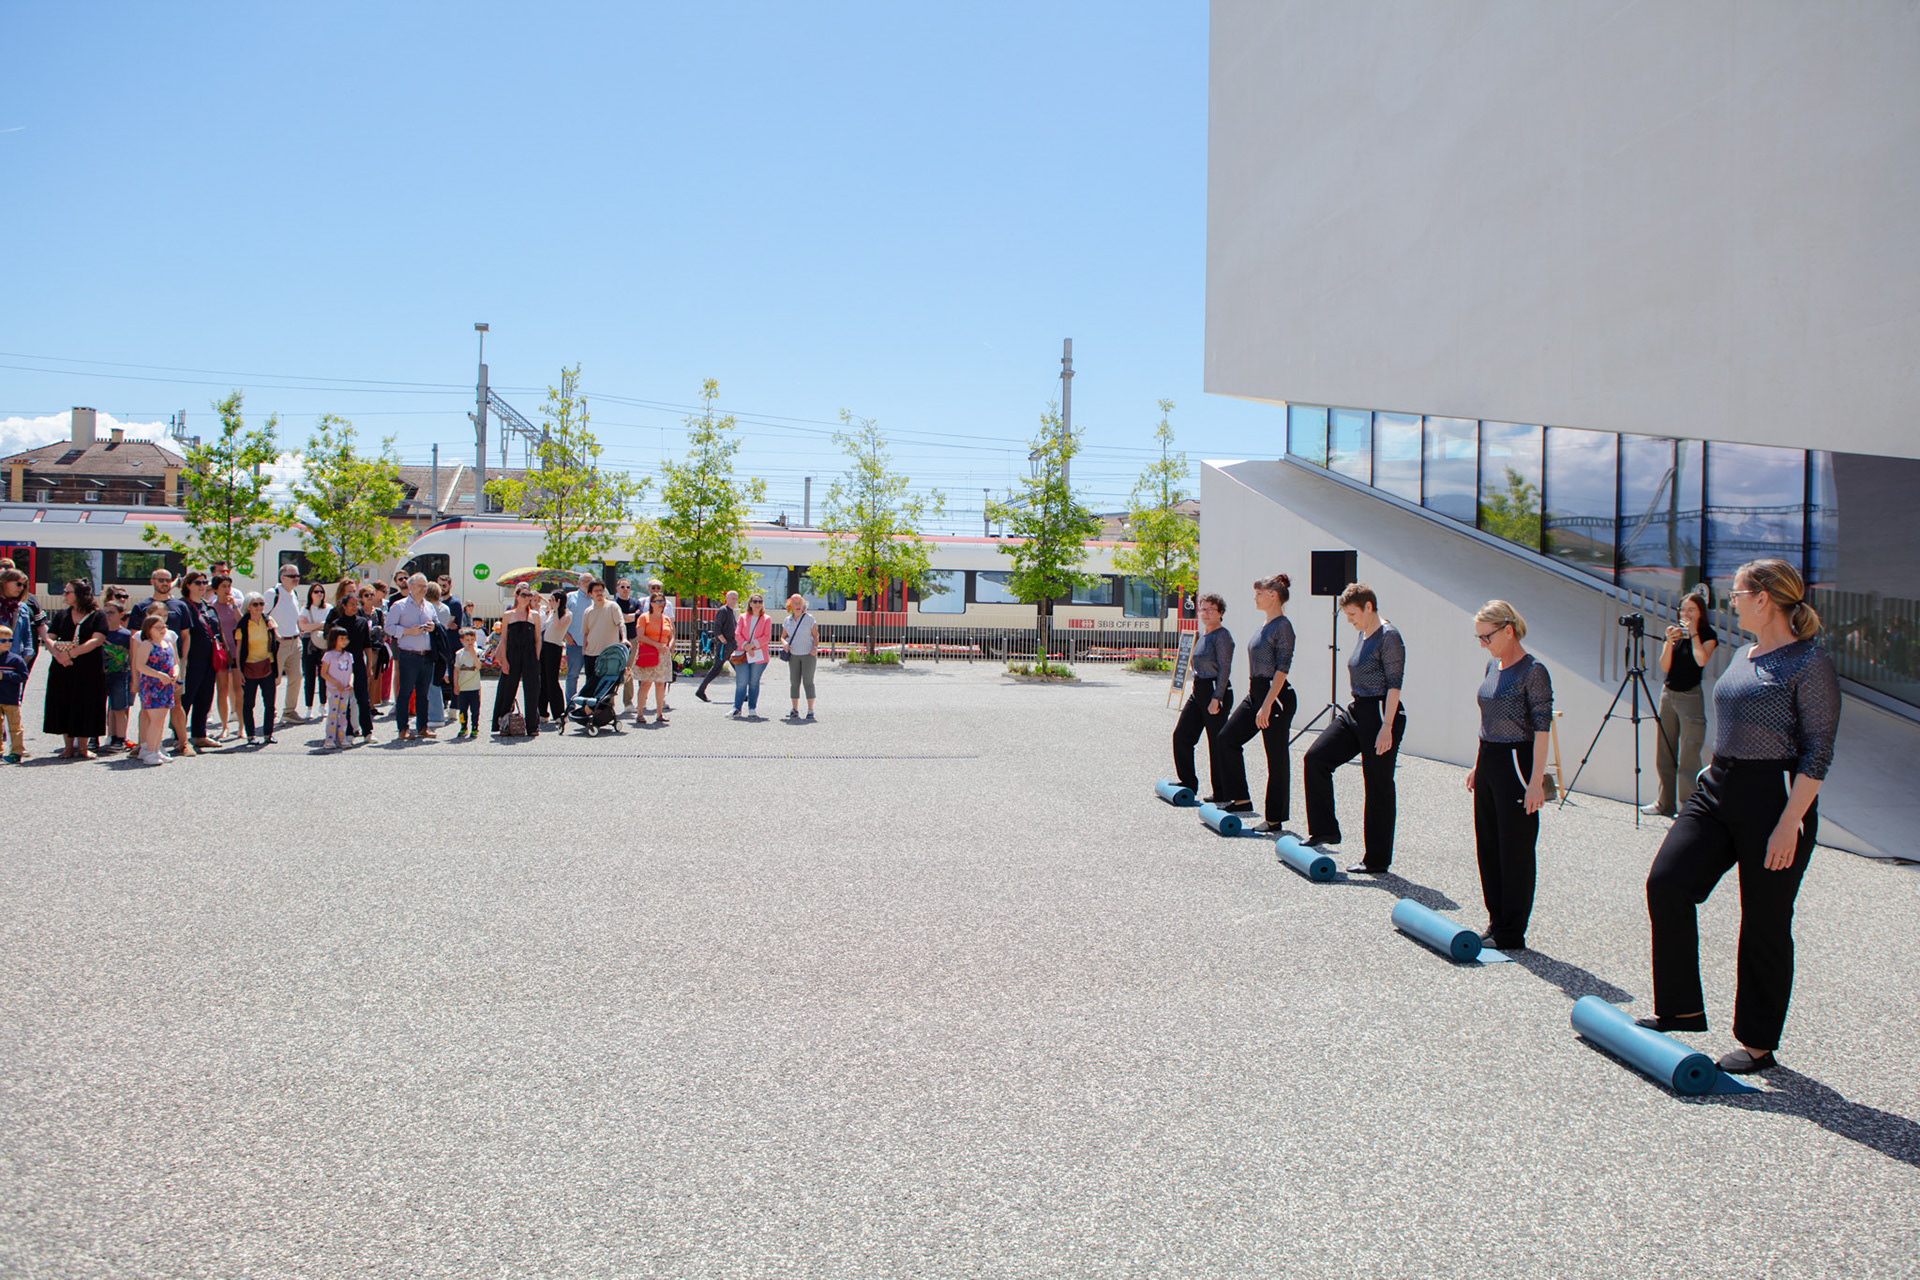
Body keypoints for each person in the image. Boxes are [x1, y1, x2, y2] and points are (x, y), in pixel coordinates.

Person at [1641, 559, 1839, 1075]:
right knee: (1667, 882)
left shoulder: (1807, 662)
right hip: (1719, 787)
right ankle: (1680, 1009)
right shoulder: (1744, 654)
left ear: (1764, 598)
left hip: (1775, 799)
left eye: (1737, 593)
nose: (1730, 601)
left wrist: (1789, 821)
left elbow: (1817, 751)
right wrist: (1712, 771)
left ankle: (1757, 1043)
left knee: (1765, 921)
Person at [1464, 600, 1553, 952]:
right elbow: (1486, 721)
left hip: (1517, 761)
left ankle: (1512, 931)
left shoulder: (1533, 671)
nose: (1483, 644)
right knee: (1488, 843)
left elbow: (1543, 729)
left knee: (1514, 847)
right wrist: (1477, 763)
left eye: (1487, 636)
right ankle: (1496, 921)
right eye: (1479, 638)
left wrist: (1536, 782)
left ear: (1508, 630)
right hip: (1489, 759)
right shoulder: (1492, 665)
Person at [1302, 582, 1407, 873]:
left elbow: (1395, 684)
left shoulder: (1389, 637)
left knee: (1378, 786)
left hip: (1381, 713)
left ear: (1368, 607)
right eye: (1347, 615)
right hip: (1357, 709)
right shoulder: (1365, 633)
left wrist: (1387, 725)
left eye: (1352, 614)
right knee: (1315, 759)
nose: (1349, 620)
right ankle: (1324, 830)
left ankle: (1376, 859)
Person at [1218, 574, 1297, 831]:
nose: (1255, 597)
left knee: (1275, 758)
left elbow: (1282, 669)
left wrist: (1267, 704)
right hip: (1257, 693)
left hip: (1275, 696)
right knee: (1227, 738)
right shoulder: (1265, 624)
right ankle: (1241, 799)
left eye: (1259, 593)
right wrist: (1258, 700)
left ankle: (1274, 819)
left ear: (1273, 595)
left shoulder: (1283, 626)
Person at [1647, 586, 1719, 817]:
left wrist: (1694, 633)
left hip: (1690, 696)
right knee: (1665, 751)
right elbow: (1664, 666)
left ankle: (1687, 806)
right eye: (1683, 609)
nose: (1686, 614)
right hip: (1669, 694)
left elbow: (1701, 660)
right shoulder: (1676, 634)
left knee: (1688, 753)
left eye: (1691, 610)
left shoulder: (1708, 635)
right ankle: (1663, 803)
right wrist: (1668, 642)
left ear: (1701, 612)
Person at [1171, 593, 1234, 800]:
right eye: (1203, 609)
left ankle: (1222, 792)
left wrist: (1217, 697)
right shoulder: (1202, 635)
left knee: (1216, 743)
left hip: (1215, 689)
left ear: (1220, 613)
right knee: (1181, 735)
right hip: (1199, 689)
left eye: (1210, 610)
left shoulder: (1222, 636)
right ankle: (1188, 783)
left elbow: (1225, 669)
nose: (1205, 613)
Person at [43, 579, 108, 759]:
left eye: (67, 592)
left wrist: (71, 654)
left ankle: (83, 747)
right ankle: (67, 747)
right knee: (64, 702)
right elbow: (49, 636)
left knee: (85, 704)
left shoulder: (98, 615)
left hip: (87, 668)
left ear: (80, 595)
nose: (64, 595)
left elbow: (97, 640)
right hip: (62, 666)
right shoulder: (61, 615)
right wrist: (57, 653)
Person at [385, 573, 439, 740]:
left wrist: (432, 627)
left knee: (423, 694)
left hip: (426, 655)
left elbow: (437, 624)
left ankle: (422, 727)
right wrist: (407, 631)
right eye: (421, 586)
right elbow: (388, 627)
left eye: (425, 586)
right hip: (409, 654)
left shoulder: (429, 606)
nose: (424, 589)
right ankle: (403, 728)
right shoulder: (399, 606)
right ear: (411, 587)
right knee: (406, 692)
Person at [325, 583, 376, 742]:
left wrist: (369, 666)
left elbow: (367, 646)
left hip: (359, 663)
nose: (355, 607)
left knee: (363, 698)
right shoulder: (337, 624)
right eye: (352, 604)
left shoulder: (362, 622)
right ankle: (347, 732)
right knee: (344, 699)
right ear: (344, 606)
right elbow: (332, 648)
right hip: (341, 666)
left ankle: (368, 731)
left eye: (357, 604)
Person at [492, 584, 543, 737]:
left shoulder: (534, 615)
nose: (526, 598)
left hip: (529, 654)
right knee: (508, 688)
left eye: (528, 596)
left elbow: (538, 639)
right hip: (513, 654)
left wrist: (536, 656)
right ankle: (504, 724)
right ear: (516, 596)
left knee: (532, 690)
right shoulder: (508, 615)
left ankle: (532, 726)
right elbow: (504, 638)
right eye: (523, 595)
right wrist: (503, 659)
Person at [131, 612, 181, 765]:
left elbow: (175, 663)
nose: (162, 630)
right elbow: (140, 665)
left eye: (163, 627)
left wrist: (175, 674)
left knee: (161, 719)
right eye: (157, 627)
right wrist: (159, 675)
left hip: (167, 686)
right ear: (148, 629)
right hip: (151, 686)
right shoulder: (146, 644)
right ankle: (150, 751)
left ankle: (157, 749)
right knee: (155, 719)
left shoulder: (168, 644)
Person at [264, 564, 309, 726]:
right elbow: (262, 615)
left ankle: (290, 711)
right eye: (292, 576)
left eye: (297, 575)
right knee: (275, 680)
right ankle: (271, 711)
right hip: (279, 643)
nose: (296, 578)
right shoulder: (273, 594)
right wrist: (273, 629)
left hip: (295, 641)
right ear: (282, 577)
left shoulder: (294, 594)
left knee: (296, 677)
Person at [234, 591, 280, 745]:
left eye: (261, 604)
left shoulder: (268, 621)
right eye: (255, 604)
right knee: (249, 703)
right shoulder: (243, 626)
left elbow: (277, 640)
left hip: (267, 665)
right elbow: (239, 650)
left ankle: (268, 733)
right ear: (248, 607)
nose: (259, 607)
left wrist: (273, 629)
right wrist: (239, 670)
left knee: (270, 703)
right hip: (249, 667)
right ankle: (251, 735)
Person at [579, 578, 626, 704]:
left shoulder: (612, 606)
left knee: (608, 686)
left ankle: (606, 713)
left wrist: (624, 638)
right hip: (591, 654)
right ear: (590, 594)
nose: (599, 593)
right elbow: (586, 632)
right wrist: (584, 649)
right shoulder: (588, 611)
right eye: (596, 591)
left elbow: (621, 623)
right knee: (591, 684)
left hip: (608, 654)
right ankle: (590, 712)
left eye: (601, 590)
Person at [633, 592, 676, 723]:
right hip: (649, 653)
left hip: (663, 654)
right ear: (651, 603)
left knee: (660, 684)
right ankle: (640, 712)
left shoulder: (666, 619)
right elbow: (641, 636)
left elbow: (672, 634)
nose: (661, 604)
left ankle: (659, 713)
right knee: (645, 683)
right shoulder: (644, 618)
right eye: (658, 601)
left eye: (662, 601)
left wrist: (670, 645)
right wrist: (657, 645)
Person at [210, 574, 242, 739]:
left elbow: (242, 624)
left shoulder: (235, 605)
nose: (227, 589)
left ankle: (242, 727)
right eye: (223, 586)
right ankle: (224, 727)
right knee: (222, 689)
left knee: (239, 689)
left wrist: (235, 607)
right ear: (215, 589)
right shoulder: (211, 608)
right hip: (221, 653)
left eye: (228, 586)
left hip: (237, 651)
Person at [730, 593, 771, 720]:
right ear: (750, 603)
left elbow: (766, 636)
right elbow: (737, 633)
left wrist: (752, 646)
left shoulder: (766, 619)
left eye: (760, 601)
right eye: (755, 601)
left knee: (754, 682)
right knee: (741, 682)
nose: (757, 604)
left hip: (759, 655)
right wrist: (746, 646)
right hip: (743, 653)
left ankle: (752, 708)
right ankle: (737, 708)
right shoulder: (743, 617)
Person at [694, 590, 738, 703]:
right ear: (727, 599)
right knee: (716, 669)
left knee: (739, 669)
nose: (734, 601)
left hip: (730, 646)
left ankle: (742, 693)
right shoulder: (723, 611)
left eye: (736, 598)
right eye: (732, 598)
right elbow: (717, 629)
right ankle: (700, 690)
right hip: (725, 646)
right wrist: (724, 642)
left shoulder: (730, 612)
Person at [102, 600, 134, 753]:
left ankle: (120, 738)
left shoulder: (127, 635)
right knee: (99, 707)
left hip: (120, 674)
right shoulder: (99, 632)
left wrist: (135, 677)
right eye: (105, 612)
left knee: (119, 708)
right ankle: (94, 737)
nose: (107, 616)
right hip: (100, 674)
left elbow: (133, 657)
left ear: (121, 614)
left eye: (111, 613)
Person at [782, 593, 819, 721]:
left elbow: (815, 635)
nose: (797, 605)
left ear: (803, 605)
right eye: (795, 603)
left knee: (808, 682)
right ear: (790, 605)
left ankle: (810, 710)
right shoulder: (787, 620)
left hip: (808, 655)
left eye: (800, 603)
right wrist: (784, 643)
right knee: (794, 682)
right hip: (793, 655)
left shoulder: (809, 618)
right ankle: (795, 709)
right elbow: (783, 636)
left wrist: (814, 648)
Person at [299, 583, 331, 718]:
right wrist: (320, 625)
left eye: (321, 591)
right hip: (309, 643)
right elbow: (303, 626)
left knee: (324, 675)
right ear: (310, 594)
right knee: (309, 675)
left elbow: (332, 624)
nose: (319, 594)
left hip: (324, 643)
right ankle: (309, 707)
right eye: (316, 592)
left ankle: (323, 704)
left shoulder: (329, 608)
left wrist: (313, 626)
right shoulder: (305, 609)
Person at [320, 625, 354, 750]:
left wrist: (350, 683)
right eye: (341, 639)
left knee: (343, 714)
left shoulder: (349, 656)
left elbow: (350, 672)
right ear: (334, 640)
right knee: (333, 713)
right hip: (334, 689)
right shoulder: (328, 655)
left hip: (344, 689)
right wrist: (336, 683)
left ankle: (342, 737)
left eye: (346, 638)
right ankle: (329, 739)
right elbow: (324, 673)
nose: (344, 641)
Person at [540, 587, 571, 726]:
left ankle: (559, 713)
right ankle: (542, 712)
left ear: (559, 601)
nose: (550, 602)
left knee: (552, 680)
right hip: (545, 646)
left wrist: (557, 609)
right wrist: (541, 598)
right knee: (543, 680)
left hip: (555, 647)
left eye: (553, 600)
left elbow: (558, 626)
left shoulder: (567, 614)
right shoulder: (551, 612)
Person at [425, 581, 453, 727]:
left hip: (431, 646)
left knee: (431, 683)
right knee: (437, 680)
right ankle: (437, 712)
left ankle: (435, 715)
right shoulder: (445, 608)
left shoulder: (428, 608)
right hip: (442, 645)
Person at [564, 572, 595, 705]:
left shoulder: (596, 599)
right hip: (574, 643)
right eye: (585, 581)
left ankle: (588, 705)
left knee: (591, 676)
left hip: (592, 645)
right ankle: (571, 704)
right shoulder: (570, 597)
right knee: (572, 675)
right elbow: (560, 617)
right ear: (579, 583)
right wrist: (566, 636)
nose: (587, 584)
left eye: (590, 581)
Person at [0, 625, 29, 762]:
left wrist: (5, 675)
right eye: (3, 640)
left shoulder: (16, 659)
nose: (7, 643)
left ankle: (17, 752)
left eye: (10, 640)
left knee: (14, 727)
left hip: (11, 698)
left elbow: (23, 676)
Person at [451, 627, 483, 738]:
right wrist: (456, 685)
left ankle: (475, 727)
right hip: (463, 687)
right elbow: (456, 670)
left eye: (471, 639)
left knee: (475, 709)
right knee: (462, 710)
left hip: (474, 687)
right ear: (462, 640)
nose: (469, 642)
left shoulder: (478, 652)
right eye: (467, 640)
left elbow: (479, 666)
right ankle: (463, 726)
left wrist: (473, 653)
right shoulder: (459, 654)